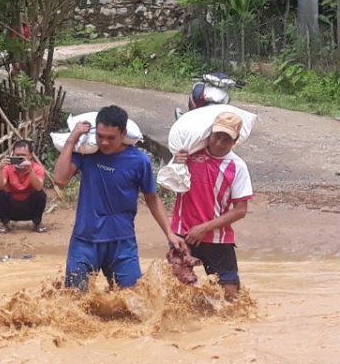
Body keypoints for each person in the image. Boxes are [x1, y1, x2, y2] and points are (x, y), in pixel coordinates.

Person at [52, 105, 189, 290]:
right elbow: (60, 180)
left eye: (111, 138)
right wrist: (72, 140)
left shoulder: (139, 161)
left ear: (123, 133)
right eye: (100, 136)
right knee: (75, 300)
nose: (104, 142)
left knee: (132, 300)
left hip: (122, 242)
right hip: (85, 240)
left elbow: (152, 199)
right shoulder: (86, 153)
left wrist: (169, 233)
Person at [168, 112, 252, 300]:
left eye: (226, 139)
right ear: (209, 134)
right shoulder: (188, 155)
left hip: (218, 239)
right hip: (183, 234)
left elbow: (241, 210)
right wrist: (174, 165)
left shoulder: (238, 166)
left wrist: (204, 228)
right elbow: (165, 190)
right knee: (178, 294)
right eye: (217, 136)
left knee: (232, 298)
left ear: (235, 141)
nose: (219, 143)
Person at [0, 139, 48, 233]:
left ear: (30, 156)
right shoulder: (7, 168)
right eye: (17, 155)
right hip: (12, 207)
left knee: (41, 194)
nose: (20, 158)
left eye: (23, 156)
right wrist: (0, 169)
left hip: (29, 207)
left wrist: (30, 171)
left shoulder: (37, 168)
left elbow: (39, 187)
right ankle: (5, 224)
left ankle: (37, 223)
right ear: (13, 155)